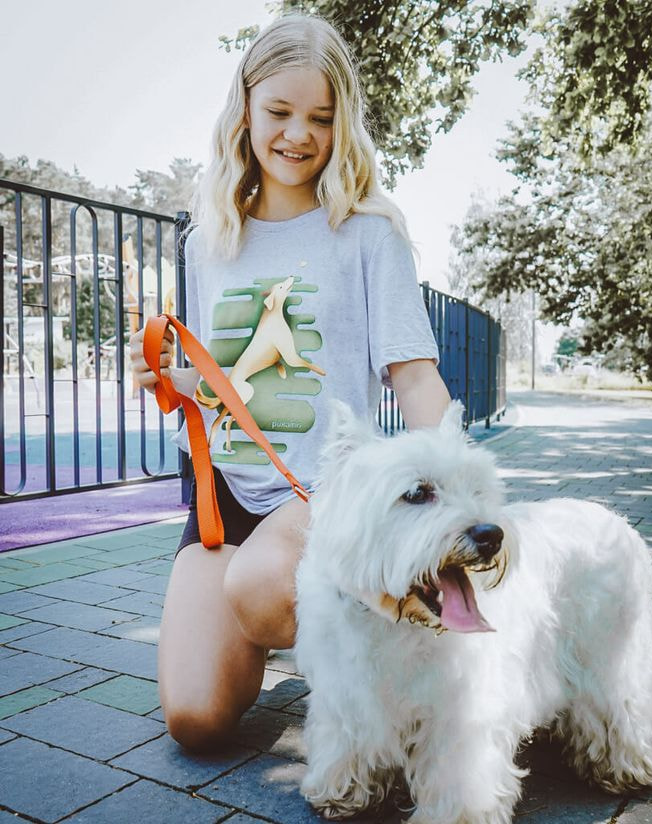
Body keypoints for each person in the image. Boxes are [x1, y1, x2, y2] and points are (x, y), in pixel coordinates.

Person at [129, 13, 451, 754]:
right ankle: (333, 633)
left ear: (343, 124)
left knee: (261, 586)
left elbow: (412, 375)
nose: (299, 134)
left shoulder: (368, 234)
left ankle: (406, 653)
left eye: (321, 118)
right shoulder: (207, 243)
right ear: (244, 108)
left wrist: (458, 499)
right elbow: (225, 382)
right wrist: (170, 376)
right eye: (279, 111)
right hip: (224, 497)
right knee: (195, 721)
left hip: (321, 494)